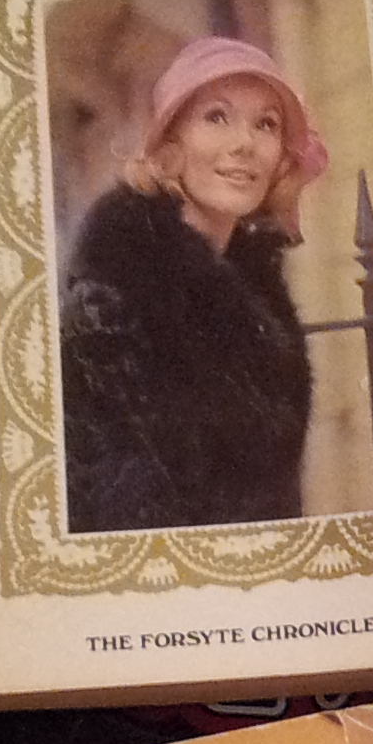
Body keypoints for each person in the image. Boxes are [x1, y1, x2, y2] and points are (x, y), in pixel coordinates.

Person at [59, 34, 332, 532]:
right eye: (216, 117)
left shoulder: (255, 293)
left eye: (266, 124)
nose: (244, 144)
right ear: (170, 148)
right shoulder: (113, 296)